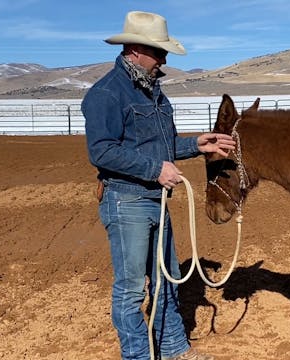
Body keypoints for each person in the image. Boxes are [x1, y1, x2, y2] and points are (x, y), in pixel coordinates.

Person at [82, 11, 235, 360]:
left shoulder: (154, 93)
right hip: (127, 201)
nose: (164, 60)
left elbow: (161, 147)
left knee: (168, 280)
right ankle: (137, 355)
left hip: (156, 201)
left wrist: (197, 145)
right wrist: (154, 170)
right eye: (159, 52)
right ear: (135, 49)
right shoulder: (106, 93)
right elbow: (101, 150)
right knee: (132, 289)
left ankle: (173, 349)